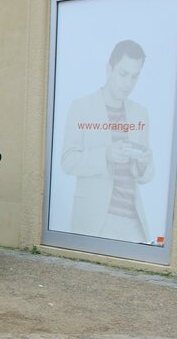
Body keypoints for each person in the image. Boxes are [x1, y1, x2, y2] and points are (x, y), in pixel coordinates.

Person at [61, 39, 153, 243]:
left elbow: (147, 174)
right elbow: (67, 161)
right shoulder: (81, 107)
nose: (128, 83)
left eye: (134, 77)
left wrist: (144, 163)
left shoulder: (140, 113)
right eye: (123, 74)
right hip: (97, 220)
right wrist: (105, 155)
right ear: (108, 69)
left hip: (134, 221)